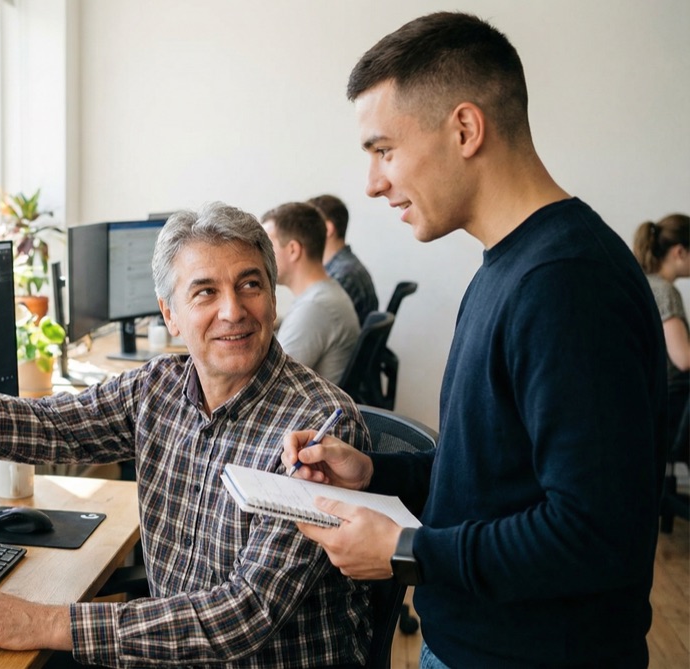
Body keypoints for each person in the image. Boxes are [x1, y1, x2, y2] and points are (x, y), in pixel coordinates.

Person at [0, 202, 374, 668]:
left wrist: (43, 622)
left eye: (250, 285)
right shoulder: (160, 386)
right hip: (168, 650)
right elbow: (46, 427)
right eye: (205, 292)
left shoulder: (317, 423)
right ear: (169, 313)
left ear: (273, 298)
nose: (232, 311)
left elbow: (240, 618)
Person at [282, 12, 666, 669]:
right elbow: (490, 478)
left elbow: (596, 535)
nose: (372, 182)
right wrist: (374, 472)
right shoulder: (508, 266)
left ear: (464, 128)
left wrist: (406, 547)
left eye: (383, 150)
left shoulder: (566, 284)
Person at [261, 202, 360, 384]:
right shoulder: (321, 295)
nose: (260, 256)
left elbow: (271, 383)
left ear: (293, 250)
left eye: (267, 246)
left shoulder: (315, 308)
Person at [634, 213, 690, 458]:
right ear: (680, 252)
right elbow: (684, 359)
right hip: (672, 401)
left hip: (650, 399)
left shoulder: (643, 283)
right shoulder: (665, 292)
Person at [308, 194, 377, 324]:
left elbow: (316, 326)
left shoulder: (342, 275)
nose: (300, 233)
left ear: (327, 229)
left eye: (306, 225)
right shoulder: (345, 266)